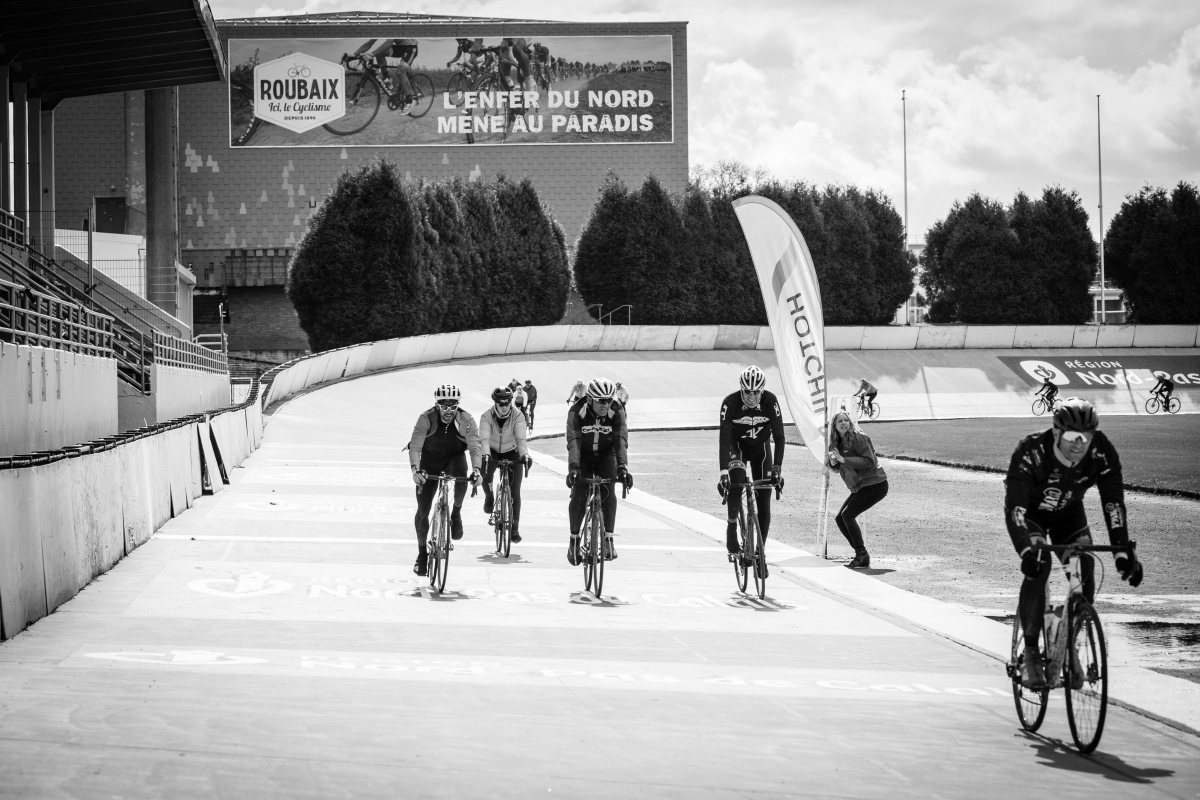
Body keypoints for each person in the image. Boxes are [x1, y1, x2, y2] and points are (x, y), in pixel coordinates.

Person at [1004, 397, 1144, 689]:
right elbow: (1015, 509)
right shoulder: (1030, 451)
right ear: (1056, 433)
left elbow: (1113, 504)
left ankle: (1066, 639)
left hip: (1068, 514)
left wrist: (1122, 552)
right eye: (1071, 436)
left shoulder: (1101, 451)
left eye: (1086, 436)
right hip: (1032, 514)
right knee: (1039, 565)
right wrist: (1025, 549)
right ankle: (1031, 654)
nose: (1079, 444)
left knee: (1085, 570)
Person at [718, 365, 785, 576]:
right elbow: (724, 439)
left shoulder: (770, 401)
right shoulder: (730, 403)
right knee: (736, 482)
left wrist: (777, 469)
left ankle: (759, 552)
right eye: (747, 391)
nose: (752, 396)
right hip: (737, 447)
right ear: (741, 389)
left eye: (756, 392)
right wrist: (723, 473)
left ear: (762, 390)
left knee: (764, 502)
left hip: (761, 450)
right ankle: (731, 530)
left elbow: (780, 437)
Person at [409, 384, 482, 576]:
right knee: (423, 510)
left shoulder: (466, 419)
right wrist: (416, 470)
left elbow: (475, 447)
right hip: (429, 460)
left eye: (453, 406)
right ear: (437, 405)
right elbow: (415, 446)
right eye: (444, 406)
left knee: (462, 474)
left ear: (458, 405)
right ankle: (422, 554)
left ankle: (456, 513)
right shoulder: (426, 418)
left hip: (454, 458)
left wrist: (477, 470)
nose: (448, 411)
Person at [566, 378, 632, 564]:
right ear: (589, 400)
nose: (605, 404)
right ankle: (574, 541)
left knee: (608, 490)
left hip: (606, 452)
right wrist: (574, 468)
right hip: (583, 453)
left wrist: (623, 467)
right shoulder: (577, 411)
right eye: (601, 401)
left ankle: (608, 540)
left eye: (608, 400)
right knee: (579, 493)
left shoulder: (617, 410)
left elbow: (620, 439)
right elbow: (574, 441)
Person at [826, 410, 889, 569]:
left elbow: (869, 461)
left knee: (847, 515)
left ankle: (862, 554)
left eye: (846, 420)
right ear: (834, 426)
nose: (843, 423)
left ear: (850, 422)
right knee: (840, 518)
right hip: (860, 486)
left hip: (875, 483)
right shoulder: (835, 443)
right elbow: (836, 467)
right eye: (840, 421)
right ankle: (860, 553)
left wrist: (843, 459)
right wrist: (833, 463)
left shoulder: (858, 437)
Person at [479, 387, 532, 545]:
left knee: (515, 491)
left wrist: (524, 455)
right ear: (495, 403)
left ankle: (514, 528)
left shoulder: (518, 415)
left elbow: (521, 439)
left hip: (512, 450)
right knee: (485, 471)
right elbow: (484, 440)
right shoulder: (486, 416)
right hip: (492, 450)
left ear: (511, 402)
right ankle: (489, 496)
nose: (504, 407)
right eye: (500, 404)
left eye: (506, 404)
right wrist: (486, 455)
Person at [356, 39, 419, 106]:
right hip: (401, 47)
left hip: (411, 47)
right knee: (379, 53)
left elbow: (389, 42)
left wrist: (371, 54)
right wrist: (354, 54)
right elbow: (369, 43)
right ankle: (387, 80)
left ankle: (409, 101)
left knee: (400, 72)